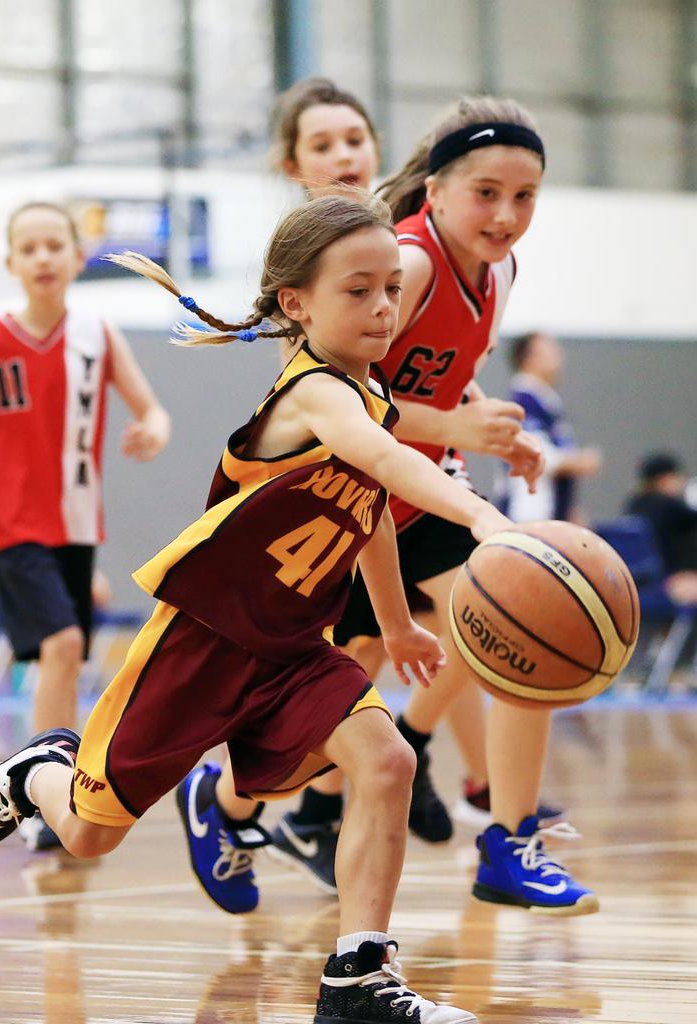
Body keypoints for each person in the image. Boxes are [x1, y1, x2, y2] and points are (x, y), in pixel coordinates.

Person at [0, 193, 513, 1024]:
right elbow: (386, 463)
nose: (384, 307)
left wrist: (394, 624)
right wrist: (481, 513)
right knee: (90, 834)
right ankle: (41, 773)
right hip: (204, 644)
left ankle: (357, 977)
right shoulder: (317, 395)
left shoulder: (372, 397)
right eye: (359, 290)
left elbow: (373, 513)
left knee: (387, 761)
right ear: (297, 303)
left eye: (393, 289)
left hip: (293, 648)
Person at [245, 80, 553, 890]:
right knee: (338, 693)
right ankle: (241, 802)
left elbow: (446, 380)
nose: (505, 214)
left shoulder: (498, 268)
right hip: (348, 499)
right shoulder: (405, 262)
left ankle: (507, 839)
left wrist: (494, 427)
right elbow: (343, 404)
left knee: (506, 629)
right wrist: (453, 429)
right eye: (487, 193)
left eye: (524, 196)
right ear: (438, 187)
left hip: (417, 493)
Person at [0, 201, 171, 851]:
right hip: (10, 521)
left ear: (75, 257)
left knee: (61, 661)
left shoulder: (98, 336)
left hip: (75, 520)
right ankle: (42, 792)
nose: (42, 257)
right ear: (12, 263)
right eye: (29, 247)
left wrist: (152, 427)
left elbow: (151, 408)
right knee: (64, 645)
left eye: (54, 245)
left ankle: (39, 784)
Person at [497, 331, 602, 525]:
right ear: (529, 358)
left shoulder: (545, 400)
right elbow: (537, 455)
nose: (559, 356)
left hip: (550, 511)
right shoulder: (523, 401)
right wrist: (580, 461)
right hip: (530, 511)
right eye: (550, 351)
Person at [626, 452, 697, 605]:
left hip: (634, 587)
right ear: (665, 479)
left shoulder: (634, 505)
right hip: (669, 584)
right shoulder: (671, 506)